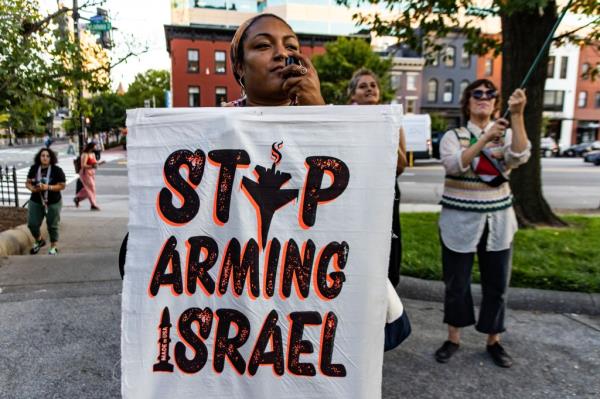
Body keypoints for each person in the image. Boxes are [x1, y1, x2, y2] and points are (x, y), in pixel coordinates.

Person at [227, 13, 410, 350]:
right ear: (239, 67)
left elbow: (380, 178)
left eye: (292, 47)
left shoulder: (335, 119)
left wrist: (322, 114)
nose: (282, 54)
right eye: (264, 45)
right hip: (242, 299)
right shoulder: (210, 132)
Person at [434, 79, 530, 368]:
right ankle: (453, 338)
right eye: (477, 93)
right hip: (458, 222)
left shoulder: (507, 132)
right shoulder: (454, 135)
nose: (484, 98)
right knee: (456, 284)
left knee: (497, 285)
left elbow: (519, 156)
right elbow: (454, 164)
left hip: (498, 221)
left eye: (490, 94)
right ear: (467, 101)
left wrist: (518, 114)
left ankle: (494, 341)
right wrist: (486, 137)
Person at [348, 68, 408, 287]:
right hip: (359, 191)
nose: (369, 89)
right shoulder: (348, 122)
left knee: (388, 242)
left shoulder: (393, 121)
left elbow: (401, 166)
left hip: (387, 192)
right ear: (353, 95)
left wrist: (386, 129)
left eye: (373, 85)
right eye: (363, 86)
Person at [25, 148, 66, 255]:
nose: (45, 158)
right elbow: (28, 182)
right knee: (32, 224)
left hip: (53, 202)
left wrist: (48, 187)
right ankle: (39, 240)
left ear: (51, 158)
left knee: (52, 224)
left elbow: (62, 185)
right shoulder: (34, 168)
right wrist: (32, 189)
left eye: (47, 156)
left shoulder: (57, 170)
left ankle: (54, 246)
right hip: (36, 200)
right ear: (39, 157)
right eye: (43, 155)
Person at [74, 142, 101, 210]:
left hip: (91, 172)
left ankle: (78, 198)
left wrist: (98, 164)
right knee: (92, 188)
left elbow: (94, 163)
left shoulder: (93, 154)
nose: (96, 148)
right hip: (85, 173)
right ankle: (93, 205)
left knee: (89, 188)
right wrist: (92, 166)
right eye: (95, 146)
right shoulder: (85, 154)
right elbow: (83, 165)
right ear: (91, 147)